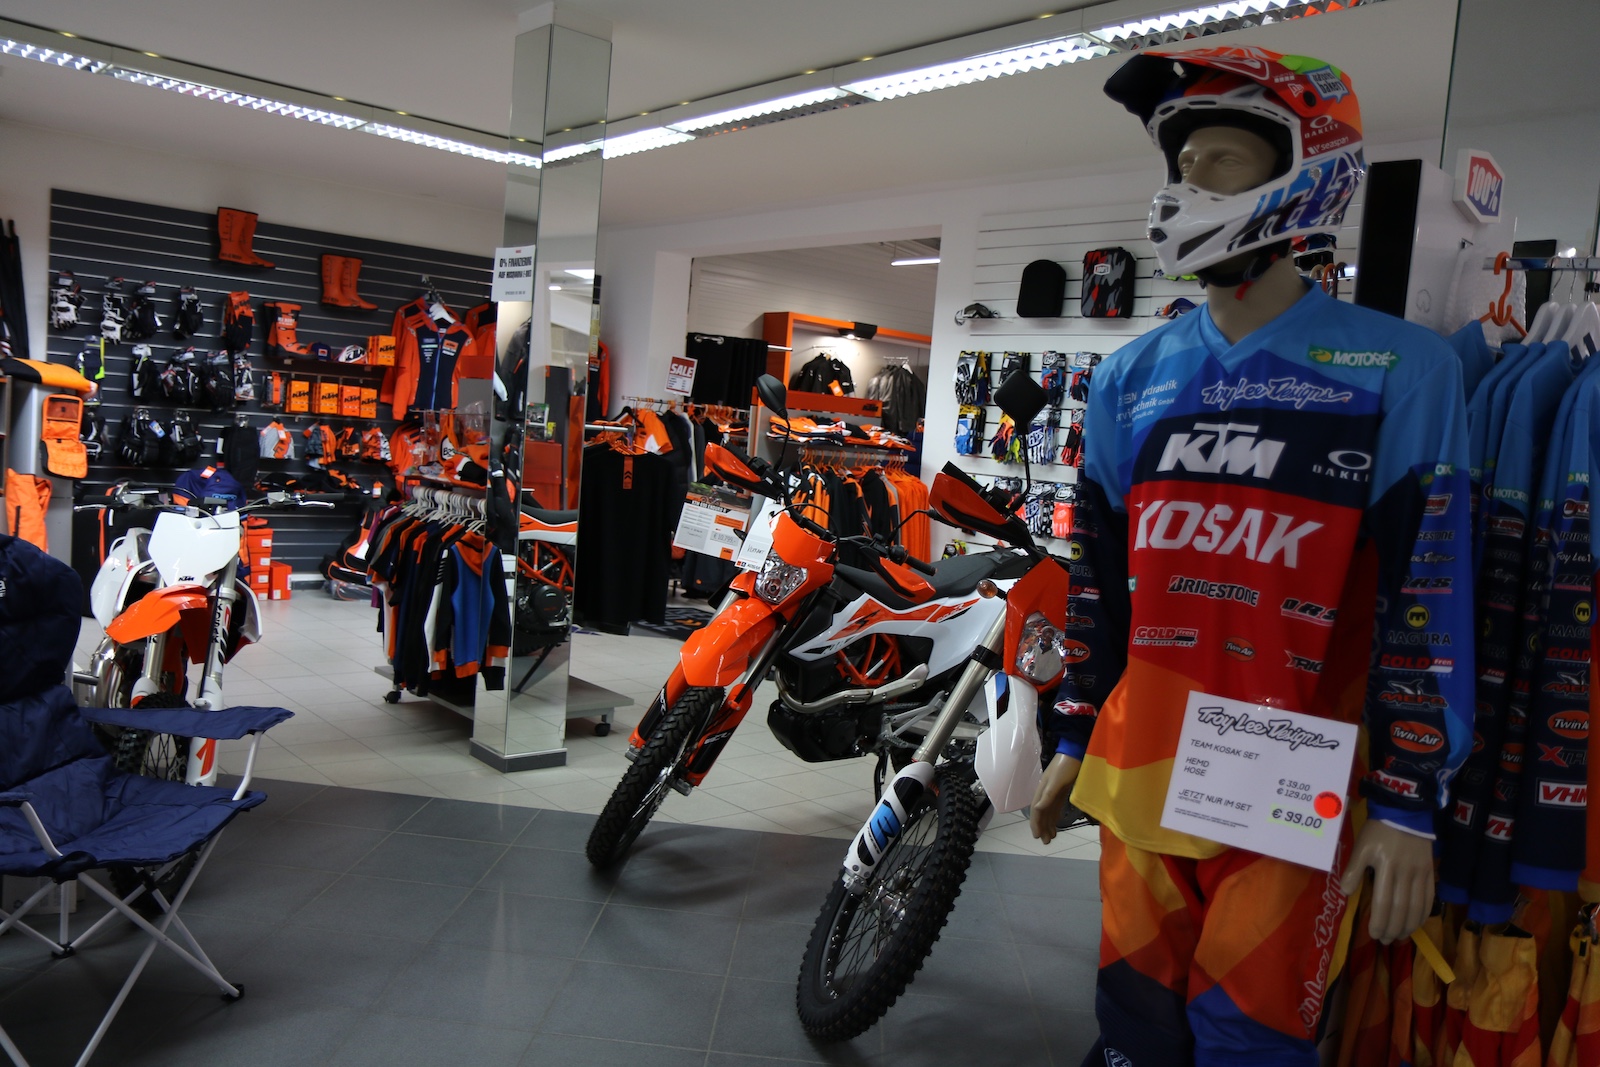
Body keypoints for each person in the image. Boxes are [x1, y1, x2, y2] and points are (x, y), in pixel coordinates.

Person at [1028, 46, 1474, 1066]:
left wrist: (1410, 800)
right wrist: (1074, 732)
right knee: (1133, 1028)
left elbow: (1429, 591)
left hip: (1291, 773)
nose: (1187, 186)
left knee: (1251, 1043)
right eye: (1180, 162)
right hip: (1142, 754)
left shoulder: (1401, 369)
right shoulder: (1129, 378)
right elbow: (1098, 577)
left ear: (1308, 171)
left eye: (1221, 158)